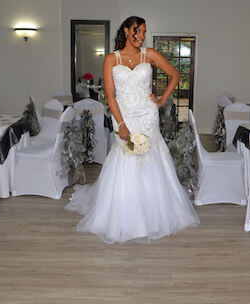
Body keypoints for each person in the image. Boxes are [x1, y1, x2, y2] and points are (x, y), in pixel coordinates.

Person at [65, 16, 199, 244]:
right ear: (127, 31)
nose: (141, 36)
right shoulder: (111, 59)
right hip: (123, 116)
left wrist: (161, 99)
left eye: (144, 32)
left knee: (151, 154)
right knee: (124, 156)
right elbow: (109, 96)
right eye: (138, 31)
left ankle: (154, 212)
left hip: (148, 115)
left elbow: (175, 75)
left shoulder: (150, 55)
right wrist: (123, 124)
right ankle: (125, 212)